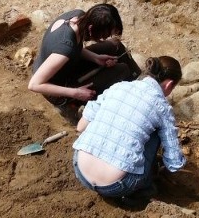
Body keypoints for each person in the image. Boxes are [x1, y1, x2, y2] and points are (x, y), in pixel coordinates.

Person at [72, 55, 186, 208]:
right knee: (156, 135)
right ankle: (142, 191)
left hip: (80, 170)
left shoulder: (118, 87)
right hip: (117, 185)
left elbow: (81, 126)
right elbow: (174, 164)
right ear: (169, 84)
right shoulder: (162, 107)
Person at [28, 4, 141, 121]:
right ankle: (72, 107)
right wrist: (76, 93)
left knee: (116, 46)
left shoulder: (79, 17)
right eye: (102, 36)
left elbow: (73, 48)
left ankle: (139, 80)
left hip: (64, 66)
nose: (102, 40)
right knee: (122, 70)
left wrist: (96, 58)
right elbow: (34, 85)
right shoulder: (65, 47)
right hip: (57, 86)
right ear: (91, 29)